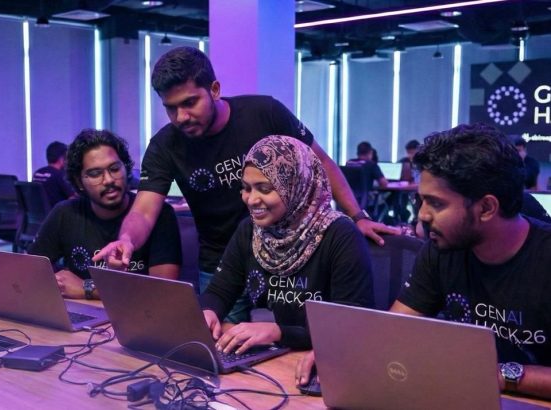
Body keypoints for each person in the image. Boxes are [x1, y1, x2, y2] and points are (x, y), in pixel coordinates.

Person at [93, 47, 396, 322]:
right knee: (221, 345)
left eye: (189, 103)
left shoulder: (264, 113)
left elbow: (320, 162)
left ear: (214, 90)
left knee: (295, 334)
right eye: (171, 108)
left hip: (292, 254)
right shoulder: (165, 145)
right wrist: (127, 240)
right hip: (224, 260)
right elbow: (144, 211)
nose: (181, 117)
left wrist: (357, 216)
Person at [299, 123, 551, 399]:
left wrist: (501, 375)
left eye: (437, 203)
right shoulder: (442, 248)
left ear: (487, 208)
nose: (422, 216)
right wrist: (344, 351)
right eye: (420, 201)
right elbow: (395, 329)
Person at [201, 135, 374, 354]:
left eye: (264, 189)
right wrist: (208, 311)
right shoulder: (250, 230)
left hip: (323, 359)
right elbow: (220, 290)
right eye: (246, 188)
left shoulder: (340, 235)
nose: (251, 199)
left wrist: (279, 333)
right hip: (271, 356)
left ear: (295, 185)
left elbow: (351, 325)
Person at [29, 129, 181, 300]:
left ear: (126, 169)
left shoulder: (158, 214)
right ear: (79, 181)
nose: (108, 180)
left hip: (139, 313)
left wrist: (88, 288)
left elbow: (164, 293)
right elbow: (29, 271)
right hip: (83, 312)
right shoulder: (65, 214)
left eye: (114, 169)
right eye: (95, 174)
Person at [32, 141, 76, 207]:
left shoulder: (37, 173)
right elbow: (73, 198)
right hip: (57, 212)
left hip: (39, 212)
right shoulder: (60, 175)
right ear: (61, 159)